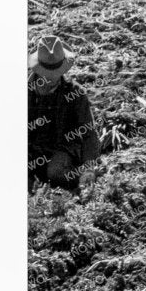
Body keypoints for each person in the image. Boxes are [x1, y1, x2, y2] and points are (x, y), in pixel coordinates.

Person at [29, 38, 101, 192]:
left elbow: (89, 133)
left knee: (55, 172)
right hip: (31, 149)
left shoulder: (74, 93)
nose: (52, 78)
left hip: (62, 149)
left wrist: (88, 168)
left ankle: (79, 177)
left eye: (55, 73)